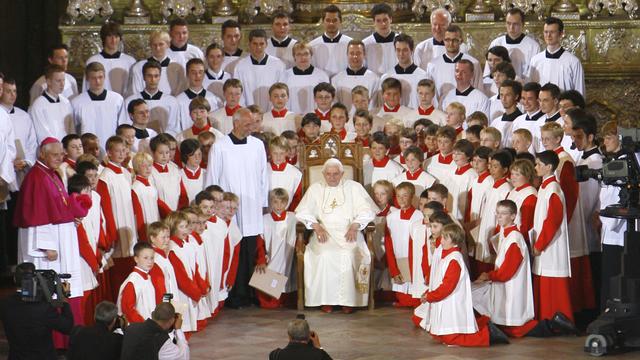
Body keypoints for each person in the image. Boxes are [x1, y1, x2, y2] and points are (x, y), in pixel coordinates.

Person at [205, 108, 269, 308]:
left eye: (253, 124)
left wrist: (263, 203)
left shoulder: (257, 145)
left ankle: (253, 294)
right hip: (228, 208)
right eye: (247, 124)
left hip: (251, 205)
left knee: (251, 249)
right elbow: (213, 178)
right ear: (236, 123)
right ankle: (234, 295)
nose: (252, 128)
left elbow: (263, 176)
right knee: (234, 249)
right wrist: (214, 205)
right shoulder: (220, 146)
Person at [295, 158, 377, 312]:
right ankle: (326, 300)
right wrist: (316, 226)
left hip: (349, 232)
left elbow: (367, 210)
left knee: (349, 254)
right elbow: (302, 211)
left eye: (336, 174)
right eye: (328, 174)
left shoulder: (354, 187)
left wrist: (355, 225)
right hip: (324, 233)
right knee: (325, 255)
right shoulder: (315, 189)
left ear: (342, 173)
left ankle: (349, 301)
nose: (332, 178)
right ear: (323, 174)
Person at [416, 224, 509, 347]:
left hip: (452, 303)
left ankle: (489, 334)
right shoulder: (447, 256)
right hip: (444, 301)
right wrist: (429, 291)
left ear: (454, 241)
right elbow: (439, 280)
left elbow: (447, 286)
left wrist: (430, 296)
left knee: (451, 338)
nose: (441, 240)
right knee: (441, 335)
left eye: (444, 238)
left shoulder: (454, 259)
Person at [0, 262, 74, 360]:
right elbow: (68, 327)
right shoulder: (44, 308)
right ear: (35, 280)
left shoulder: (5, 304)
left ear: (14, 279)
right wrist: (64, 299)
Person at [532, 150, 574, 323]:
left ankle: (558, 320)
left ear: (548, 167)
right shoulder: (544, 186)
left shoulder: (553, 189)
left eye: (538, 164)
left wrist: (539, 244)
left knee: (553, 287)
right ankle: (546, 319)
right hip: (544, 244)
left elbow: (552, 221)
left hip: (551, 245)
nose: (535, 167)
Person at [96, 136, 137, 299]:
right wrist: (111, 234)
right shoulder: (105, 176)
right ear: (109, 153)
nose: (121, 154)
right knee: (119, 271)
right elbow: (105, 207)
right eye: (117, 151)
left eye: (124, 150)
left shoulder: (127, 173)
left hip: (129, 224)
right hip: (117, 227)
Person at [254, 188, 298, 308]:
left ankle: (285, 298)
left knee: (287, 278)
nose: (279, 206)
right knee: (269, 297)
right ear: (270, 202)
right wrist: (261, 260)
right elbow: (259, 242)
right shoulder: (264, 219)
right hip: (271, 256)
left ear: (287, 202)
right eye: (275, 202)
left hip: (287, 256)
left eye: (282, 202)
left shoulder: (293, 218)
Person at [384, 182, 424, 307]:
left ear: (412, 196)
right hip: (398, 262)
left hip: (416, 263)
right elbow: (388, 245)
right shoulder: (391, 218)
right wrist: (394, 271)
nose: (401, 199)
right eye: (398, 196)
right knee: (404, 299)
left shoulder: (420, 216)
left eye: (405, 195)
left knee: (415, 300)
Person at [73, 62, 127, 149]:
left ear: (105, 77)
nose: (97, 81)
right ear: (87, 79)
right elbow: (74, 130)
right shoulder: (77, 102)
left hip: (112, 149)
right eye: (93, 78)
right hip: (87, 150)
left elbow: (122, 128)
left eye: (100, 77)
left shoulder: (117, 99)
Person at [527, 17, 585, 95]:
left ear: (561, 34)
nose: (548, 35)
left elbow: (579, 93)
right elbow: (531, 90)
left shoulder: (573, 62)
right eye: (546, 32)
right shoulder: (535, 60)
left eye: (552, 32)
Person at [426, 25, 481, 104]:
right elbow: (430, 92)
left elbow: (478, 90)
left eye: (454, 40)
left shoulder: (473, 63)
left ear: (461, 41)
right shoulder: (433, 65)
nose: (451, 43)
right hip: (442, 109)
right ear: (443, 40)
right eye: (447, 40)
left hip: (468, 108)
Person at [235, 29, 286, 111]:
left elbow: (282, 90)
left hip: (272, 112)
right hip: (248, 113)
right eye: (255, 44)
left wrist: (273, 111)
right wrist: (246, 111)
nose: (258, 47)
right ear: (249, 44)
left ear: (266, 44)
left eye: (261, 44)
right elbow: (238, 92)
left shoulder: (278, 65)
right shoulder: (241, 66)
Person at [125, 61, 180, 134]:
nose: (153, 80)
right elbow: (126, 125)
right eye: (149, 76)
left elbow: (174, 129)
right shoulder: (130, 101)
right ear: (144, 77)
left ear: (160, 77)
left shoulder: (171, 101)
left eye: (156, 76)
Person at [121, 302, 189, 360]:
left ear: (152, 315)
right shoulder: (162, 341)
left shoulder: (131, 328)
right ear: (171, 321)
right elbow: (184, 356)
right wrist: (178, 330)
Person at [82, 22, 136, 96]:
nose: (113, 40)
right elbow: (86, 87)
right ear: (104, 38)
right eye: (110, 36)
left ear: (120, 38)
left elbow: (133, 88)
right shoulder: (93, 61)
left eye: (116, 36)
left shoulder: (130, 61)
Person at [173, 58, 223, 135]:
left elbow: (215, 124)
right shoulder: (178, 101)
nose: (197, 76)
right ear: (187, 74)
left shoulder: (213, 98)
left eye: (200, 72)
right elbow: (176, 128)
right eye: (193, 73)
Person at [486, 8, 540, 79]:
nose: (511, 27)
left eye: (515, 24)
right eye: (508, 23)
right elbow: (488, 72)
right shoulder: (496, 43)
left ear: (523, 24)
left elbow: (533, 74)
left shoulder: (533, 46)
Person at [278, 42, 330, 115]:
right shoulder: (285, 75)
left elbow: (327, 99)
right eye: (299, 54)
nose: (303, 57)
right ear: (294, 56)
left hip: (316, 118)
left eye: (306, 54)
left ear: (311, 55)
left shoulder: (322, 75)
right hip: (291, 117)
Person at [129, 31, 184, 97]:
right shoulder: (139, 67)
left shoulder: (177, 68)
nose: (157, 48)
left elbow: (180, 92)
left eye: (161, 44)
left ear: (168, 45)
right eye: (154, 45)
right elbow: (136, 92)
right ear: (150, 46)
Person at [28, 64, 74, 143]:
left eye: (63, 80)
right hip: (50, 150)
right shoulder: (38, 105)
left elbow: (71, 128)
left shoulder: (66, 102)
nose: (62, 84)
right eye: (58, 81)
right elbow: (42, 133)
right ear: (48, 81)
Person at [331, 40, 380, 110]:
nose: (355, 56)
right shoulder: (336, 80)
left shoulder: (375, 79)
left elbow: (374, 105)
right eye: (351, 53)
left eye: (358, 53)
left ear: (364, 54)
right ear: (347, 54)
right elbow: (335, 106)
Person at [380, 34, 426, 109]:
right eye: (398, 50)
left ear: (411, 50)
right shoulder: (387, 76)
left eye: (405, 50)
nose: (401, 54)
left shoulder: (423, 76)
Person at [309, 5, 353, 78]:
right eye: (328, 20)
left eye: (335, 20)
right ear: (323, 22)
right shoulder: (313, 45)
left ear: (340, 21)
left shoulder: (350, 43)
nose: (331, 24)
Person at [150, 134, 189, 215]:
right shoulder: (150, 171)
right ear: (153, 153)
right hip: (160, 214)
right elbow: (154, 197)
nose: (164, 156)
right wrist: (169, 214)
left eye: (167, 152)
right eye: (161, 153)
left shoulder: (174, 169)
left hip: (177, 215)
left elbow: (183, 194)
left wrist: (181, 212)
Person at [166, 18, 204, 85]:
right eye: (177, 33)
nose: (181, 36)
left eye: (184, 33)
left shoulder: (196, 52)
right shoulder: (164, 52)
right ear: (170, 34)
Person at [268, 136, 302, 211]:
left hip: (287, 215)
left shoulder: (295, 173)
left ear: (287, 152)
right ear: (270, 152)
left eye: (281, 153)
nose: (278, 157)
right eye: (275, 153)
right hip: (266, 215)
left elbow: (297, 198)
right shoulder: (263, 170)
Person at [362, 3, 397, 75]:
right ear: (373, 22)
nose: (383, 24)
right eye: (378, 21)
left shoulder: (400, 41)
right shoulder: (366, 44)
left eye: (385, 20)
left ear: (390, 19)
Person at [512, 82, 544, 153]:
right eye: (523, 98)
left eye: (529, 99)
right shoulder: (517, 121)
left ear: (538, 99)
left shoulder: (544, 122)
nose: (525, 102)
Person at [490, 79, 523, 148]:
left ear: (516, 96)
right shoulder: (496, 122)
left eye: (508, 95)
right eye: (501, 95)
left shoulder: (521, 121)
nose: (503, 99)